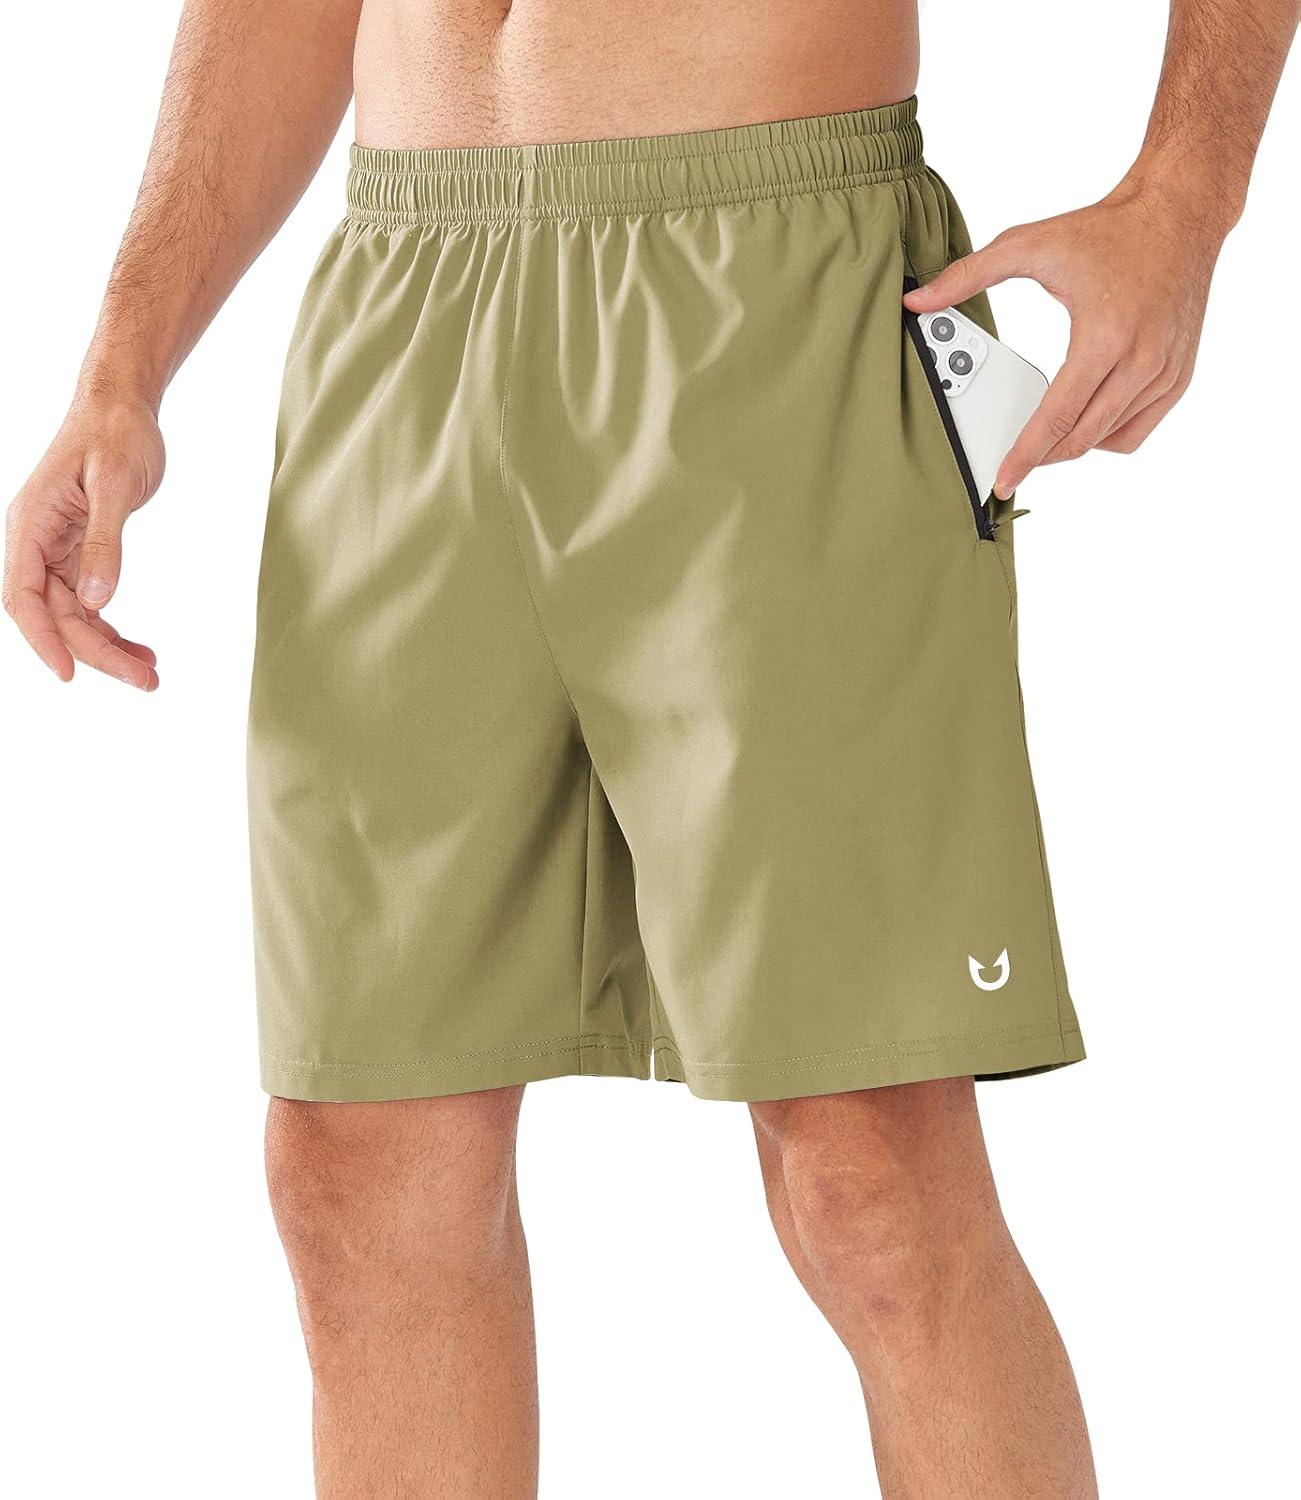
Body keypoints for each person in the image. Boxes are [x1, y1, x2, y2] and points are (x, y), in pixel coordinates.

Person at [4, 0, 1295, 1493]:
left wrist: (1184, 196)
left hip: (777, 286)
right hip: (405, 309)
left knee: (869, 1172)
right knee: (358, 1172)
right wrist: (122, 366)